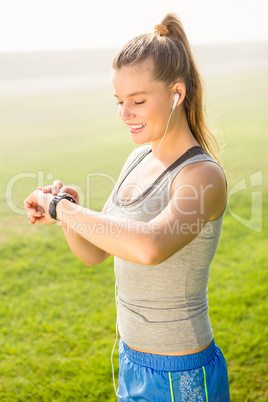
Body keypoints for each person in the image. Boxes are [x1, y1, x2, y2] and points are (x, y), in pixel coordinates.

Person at [25, 13, 230, 401]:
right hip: (132, 360)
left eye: (137, 101)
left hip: (181, 369)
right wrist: (69, 210)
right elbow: (95, 253)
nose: (124, 114)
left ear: (177, 94)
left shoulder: (201, 176)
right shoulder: (137, 159)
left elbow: (150, 246)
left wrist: (60, 209)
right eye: (120, 101)